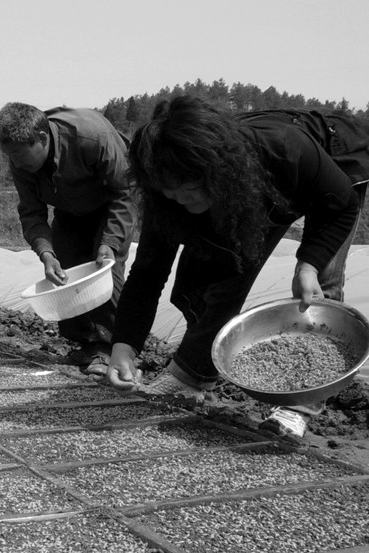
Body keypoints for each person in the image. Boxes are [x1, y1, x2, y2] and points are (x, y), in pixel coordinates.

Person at [107, 96, 369, 439]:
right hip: (249, 186)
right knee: (222, 269)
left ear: (216, 172)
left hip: (332, 170)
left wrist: (308, 264)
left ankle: (299, 405)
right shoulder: (168, 194)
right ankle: (191, 375)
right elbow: (147, 273)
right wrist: (123, 346)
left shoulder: (283, 149)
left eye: (188, 190)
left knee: (319, 286)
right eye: (172, 194)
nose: (182, 201)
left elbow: (341, 206)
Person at [0, 102, 138, 375]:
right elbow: (31, 212)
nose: (17, 163)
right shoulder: (20, 161)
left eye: (20, 155)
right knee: (66, 265)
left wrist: (109, 242)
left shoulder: (92, 137)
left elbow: (126, 192)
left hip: (110, 205)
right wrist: (46, 253)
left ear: (43, 139)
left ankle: (114, 349)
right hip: (70, 209)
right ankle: (86, 343)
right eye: (10, 156)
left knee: (105, 270)